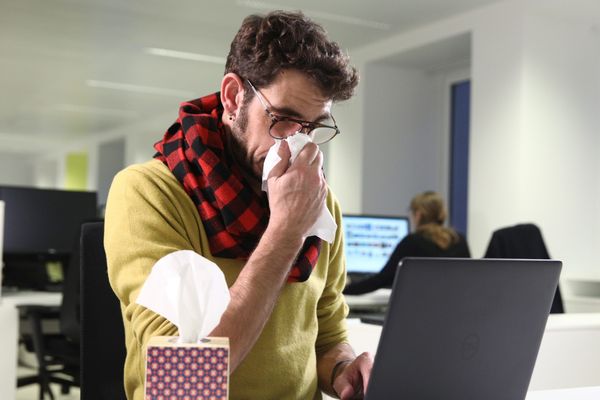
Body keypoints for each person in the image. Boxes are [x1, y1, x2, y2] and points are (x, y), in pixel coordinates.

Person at [104, 10, 373, 400]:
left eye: (314, 128)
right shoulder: (148, 192)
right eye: (284, 120)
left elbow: (327, 334)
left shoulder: (320, 201)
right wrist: (285, 231)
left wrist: (345, 371)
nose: (299, 144)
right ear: (233, 97)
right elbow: (181, 384)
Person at [344, 191, 471, 295]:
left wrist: (343, 290)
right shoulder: (459, 240)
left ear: (418, 215)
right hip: (455, 306)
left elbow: (382, 279)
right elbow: (469, 277)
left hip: (420, 308)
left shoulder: (413, 241)